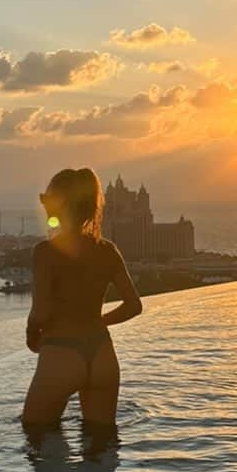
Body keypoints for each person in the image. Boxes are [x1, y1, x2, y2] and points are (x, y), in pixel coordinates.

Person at [22, 167, 142, 432]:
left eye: (47, 198)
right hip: (102, 355)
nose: (43, 205)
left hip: (60, 353)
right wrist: (97, 321)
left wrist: (32, 335)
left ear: (60, 203)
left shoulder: (45, 252)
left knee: (36, 437)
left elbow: (40, 313)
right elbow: (134, 306)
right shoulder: (107, 250)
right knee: (102, 446)